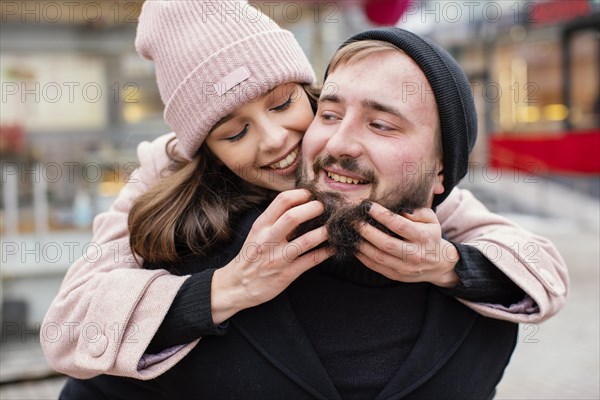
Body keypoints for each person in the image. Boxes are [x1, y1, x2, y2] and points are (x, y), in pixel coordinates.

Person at [42, 0, 568, 387]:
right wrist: (228, 288)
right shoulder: (166, 180)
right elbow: (69, 329)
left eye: (281, 104)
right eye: (233, 132)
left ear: (307, 87)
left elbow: (535, 266)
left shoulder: (369, 164)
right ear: (205, 150)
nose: (275, 142)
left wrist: (448, 265)